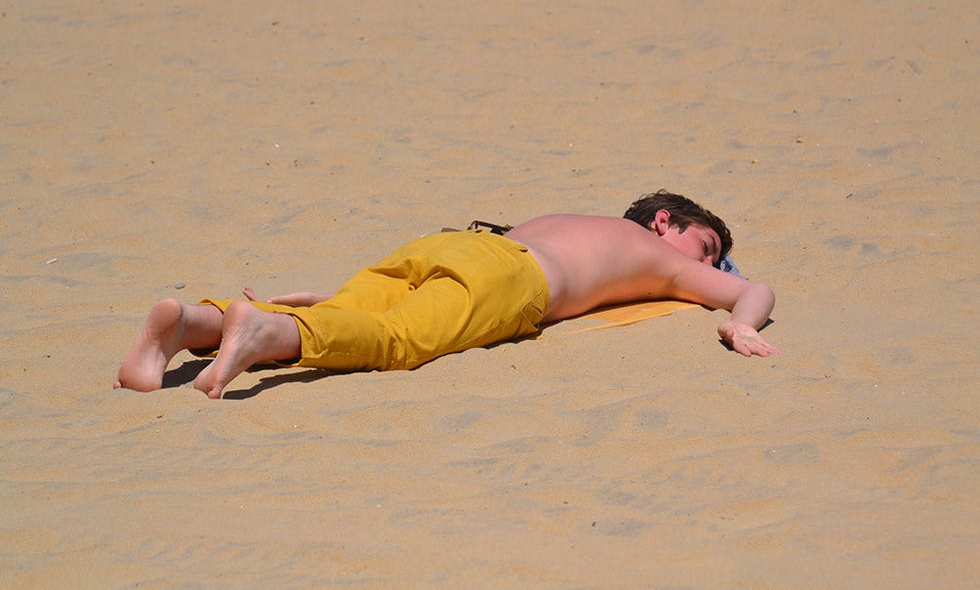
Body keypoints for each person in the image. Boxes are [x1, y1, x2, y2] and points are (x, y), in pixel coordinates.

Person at [116, 190, 779, 399]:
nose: (709, 263)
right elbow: (752, 290)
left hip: (452, 243)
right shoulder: (658, 253)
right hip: (516, 275)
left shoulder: (575, 220)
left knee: (354, 311)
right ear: (665, 222)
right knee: (398, 342)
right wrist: (741, 325)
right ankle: (263, 335)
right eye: (708, 245)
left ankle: (189, 323)